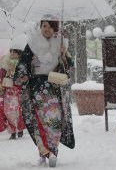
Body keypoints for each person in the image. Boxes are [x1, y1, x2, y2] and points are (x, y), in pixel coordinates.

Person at [14, 19, 75, 168]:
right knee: (39, 121)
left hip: (55, 87)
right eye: (44, 26)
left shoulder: (61, 44)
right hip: (37, 87)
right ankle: (45, 153)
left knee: (54, 121)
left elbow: (69, 69)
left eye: (51, 26)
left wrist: (63, 56)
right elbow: (22, 64)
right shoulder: (32, 44)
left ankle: (52, 151)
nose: (47, 29)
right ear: (40, 27)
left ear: (56, 28)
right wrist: (24, 74)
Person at [0, 48, 26, 140]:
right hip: (8, 91)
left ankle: (19, 128)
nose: (12, 53)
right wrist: (6, 74)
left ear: (19, 54)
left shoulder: (22, 64)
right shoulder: (5, 63)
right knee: (8, 112)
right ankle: (12, 130)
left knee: (18, 111)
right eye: (11, 51)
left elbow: (25, 78)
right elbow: (0, 77)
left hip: (18, 91)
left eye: (15, 52)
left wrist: (20, 78)